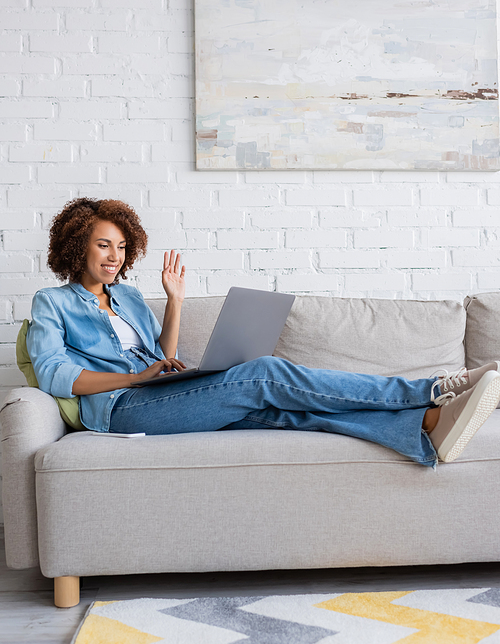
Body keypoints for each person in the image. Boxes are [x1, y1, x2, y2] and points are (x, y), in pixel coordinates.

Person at [27, 197, 500, 470]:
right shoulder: (53, 302)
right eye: (103, 245)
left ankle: (424, 426)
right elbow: (54, 375)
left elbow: (161, 355)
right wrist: (133, 379)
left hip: (156, 392)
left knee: (278, 409)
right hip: (119, 411)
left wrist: (174, 301)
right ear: (77, 245)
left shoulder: (128, 296)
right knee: (264, 374)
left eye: (121, 247)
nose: (113, 256)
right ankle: (433, 389)